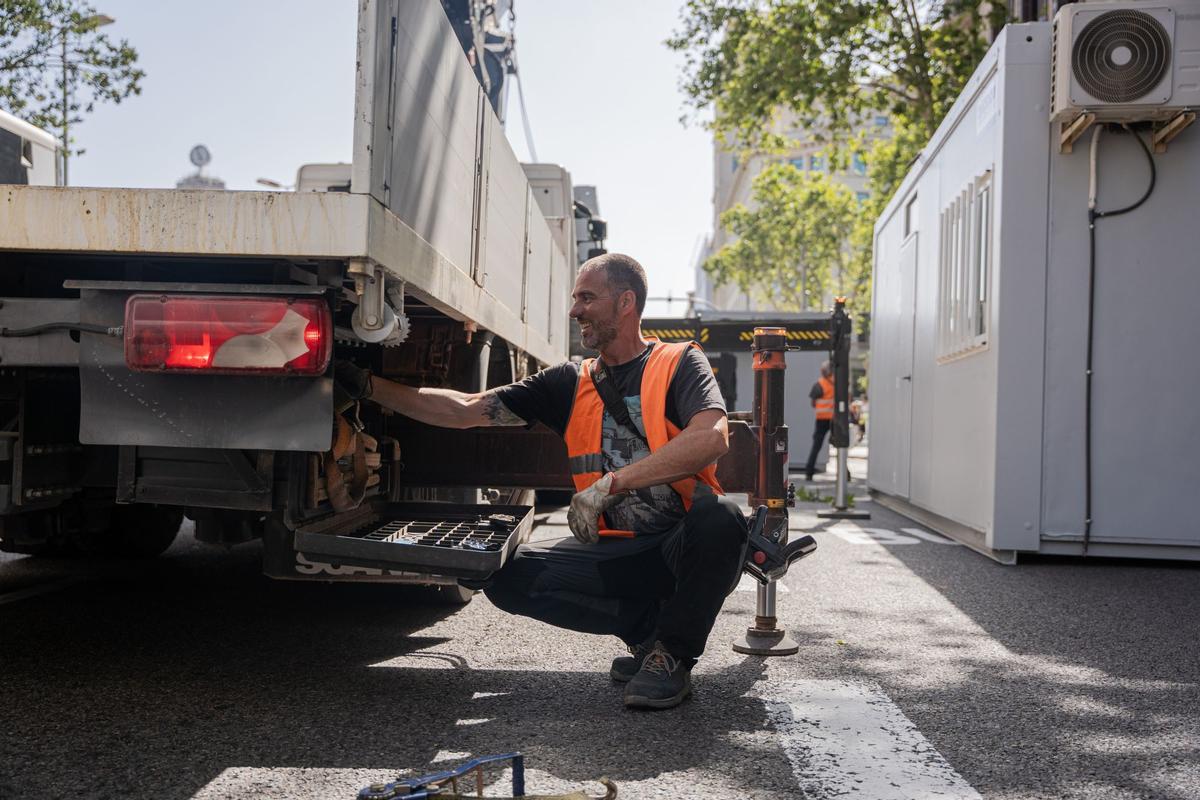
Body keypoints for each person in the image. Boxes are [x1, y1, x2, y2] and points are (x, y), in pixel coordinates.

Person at [335, 253, 747, 710]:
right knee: (503, 575)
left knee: (723, 518)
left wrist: (610, 485)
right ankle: (646, 633)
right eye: (575, 299)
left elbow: (711, 437)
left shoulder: (680, 363)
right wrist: (367, 386)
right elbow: (465, 408)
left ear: (626, 302)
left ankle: (672, 656)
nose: (575, 311)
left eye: (587, 298)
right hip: (615, 549)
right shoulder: (570, 382)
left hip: (679, 545)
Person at [804, 361, 835, 481]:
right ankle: (844, 473)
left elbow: (813, 403)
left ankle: (809, 471)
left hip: (822, 419)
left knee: (816, 445)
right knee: (840, 446)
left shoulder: (819, 384)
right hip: (834, 420)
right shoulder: (837, 384)